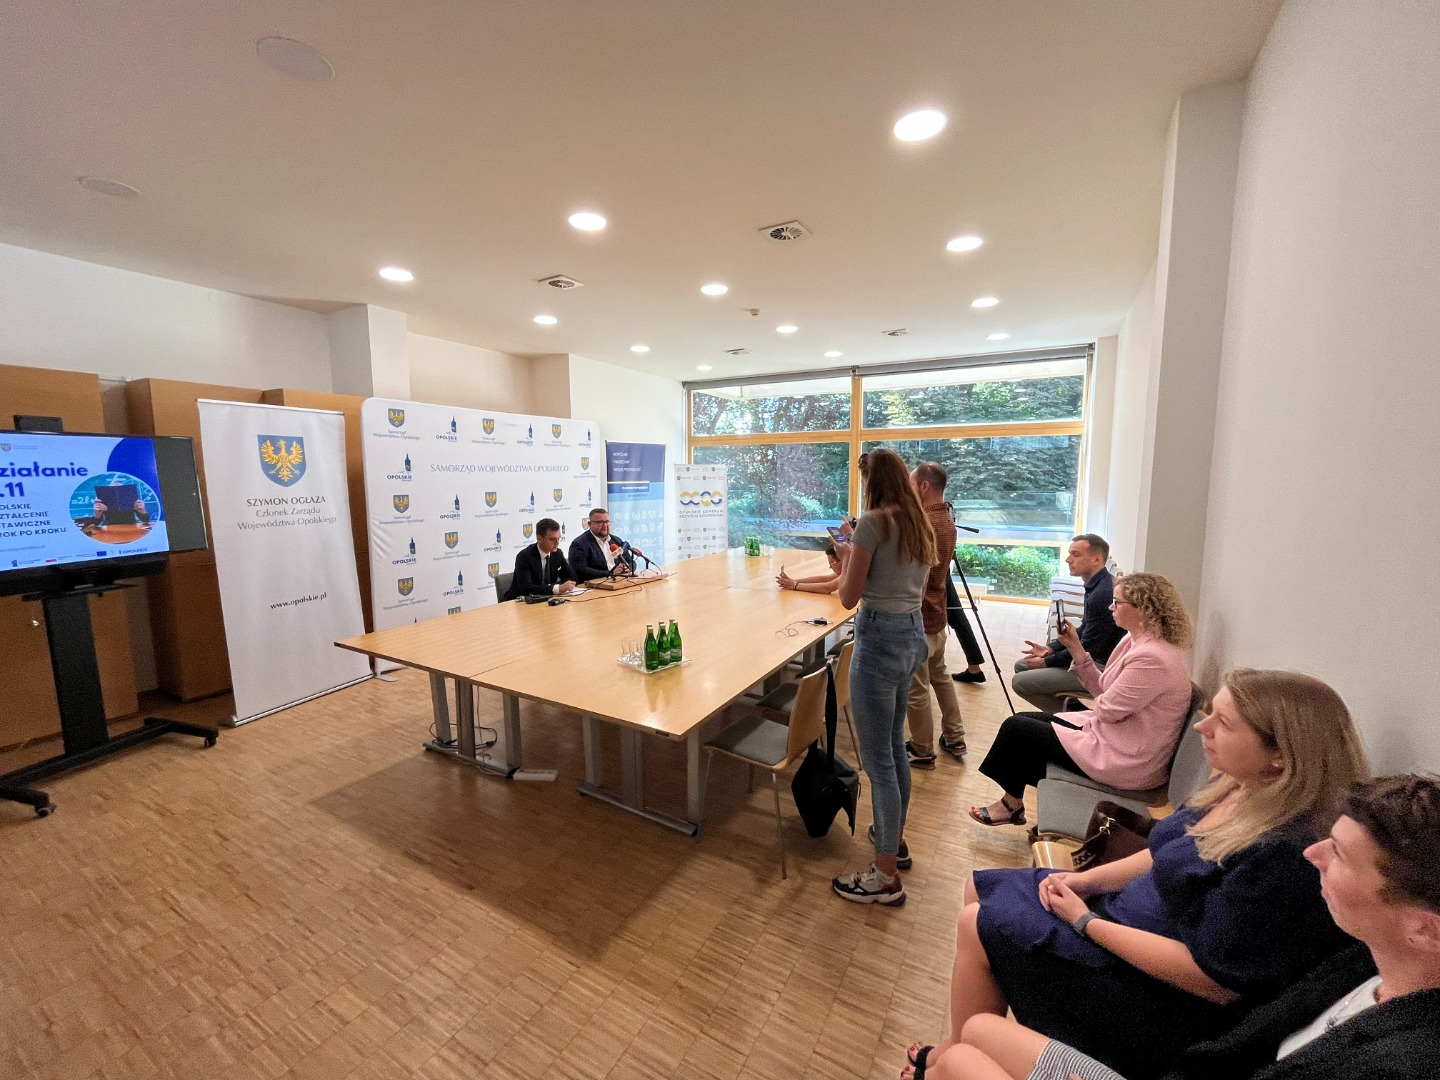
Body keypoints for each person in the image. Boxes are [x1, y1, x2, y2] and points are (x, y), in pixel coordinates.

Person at [905, 669, 1368, 1080]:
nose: (1202, 727)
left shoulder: (1283, 856)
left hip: (1149, 992)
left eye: (1223, 723)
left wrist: (1086, 922)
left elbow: (1213, 982)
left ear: (1280, 756)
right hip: (1119, 921)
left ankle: (958, 1052)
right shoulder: (1238, 786)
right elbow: (1164, 851)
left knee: (977, 923)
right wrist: (1087, 881)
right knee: (979, 887)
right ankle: (969, 1047)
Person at [902, 774, 1440, 1080]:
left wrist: (1086, 921)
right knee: (976, 1033)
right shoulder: (1362, 964)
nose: (1312, 853)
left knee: (960, 1062)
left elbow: (1218, 983)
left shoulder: (1397, 1063)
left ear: (1426, 930)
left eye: (1339, 854)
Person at [969, 572, 1192, 828]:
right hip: (1115, 737)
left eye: (1117, 602)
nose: (1111, 607)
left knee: (1017, 730)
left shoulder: (1152, 658)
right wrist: (1075, 647)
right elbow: (1103, 689)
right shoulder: (1134, 641)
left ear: (1142, 609)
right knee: (1022, 721)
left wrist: (1103, 700)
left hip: (1128, 760)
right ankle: (1012, 804)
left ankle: (1011, 806)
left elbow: (1107, 710)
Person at [829, 447, 935, 905]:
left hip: (878, 639)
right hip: (911, 634)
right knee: (894, 747)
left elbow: (848, 597)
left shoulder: (872, 523)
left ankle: (885, 876)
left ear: (872, 481)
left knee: (878, 764)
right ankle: (896, 839)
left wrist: (844, 560)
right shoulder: (919, 522)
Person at [1012, 535, 1125, 714]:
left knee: (1020, 681)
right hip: (1093, 658)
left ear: (1096, 560)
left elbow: (1089, 648)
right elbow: (1085, 629)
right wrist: (1050, 649)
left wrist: (1047, 662)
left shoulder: (1102, 594)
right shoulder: (1098, 584)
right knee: (1023, 665)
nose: (1068, 560)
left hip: (1100, 668)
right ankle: (1076, 714)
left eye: (1075, 554)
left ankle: (1077, 720)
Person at [904, 462, 967, 766]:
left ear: (924, 486)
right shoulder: (947, 521)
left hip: (921, 616)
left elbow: (915, 578)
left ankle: (921, 749)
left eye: (911, 484)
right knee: (940, 677)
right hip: (938, 612)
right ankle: (955, 737)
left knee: (917, 688)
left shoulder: (924, 524)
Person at [504, 518, 577, 599]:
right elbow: (526, 588)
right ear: (539, 539)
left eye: (558, 538)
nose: (557, 543)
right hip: (519, 600)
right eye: (552, 539)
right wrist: (556, 588)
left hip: (546, 598)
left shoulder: (557, 553)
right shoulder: (524, 557)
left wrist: (556, 587)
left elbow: (572, 577)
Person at [568, 507, 635, 582]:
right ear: (590, 524)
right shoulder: (579, 544)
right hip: (593, 585)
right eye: (600, 522)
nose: (604, 525)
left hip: (619, 581)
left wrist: (628, 568)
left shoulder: (616, 540)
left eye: (607, 522)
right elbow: (581, 571)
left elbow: (631, 562)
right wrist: (610, 573)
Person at [946, 573, 988, 684]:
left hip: (928, 568)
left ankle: (974, 668)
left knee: (957, 617)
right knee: (958, 618)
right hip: (941, 569)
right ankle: (974, 667)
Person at [775, 545, 841, 593]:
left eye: (831, 564)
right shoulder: (844, 571)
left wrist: (794, 585)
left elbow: (826, 588)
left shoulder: (846, 574)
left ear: (841, 560)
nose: (830, 567)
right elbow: (824, 579)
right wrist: (791, 581)